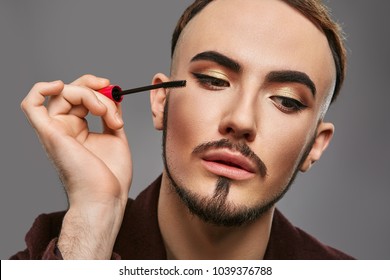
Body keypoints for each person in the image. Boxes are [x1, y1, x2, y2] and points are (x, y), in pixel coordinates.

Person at [12, 0, 354, 260]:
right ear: (161, 101)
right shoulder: (56, 252)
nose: (242, 120)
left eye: (286, 100)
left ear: (315, 146)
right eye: (214, 80)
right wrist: (94, 221)